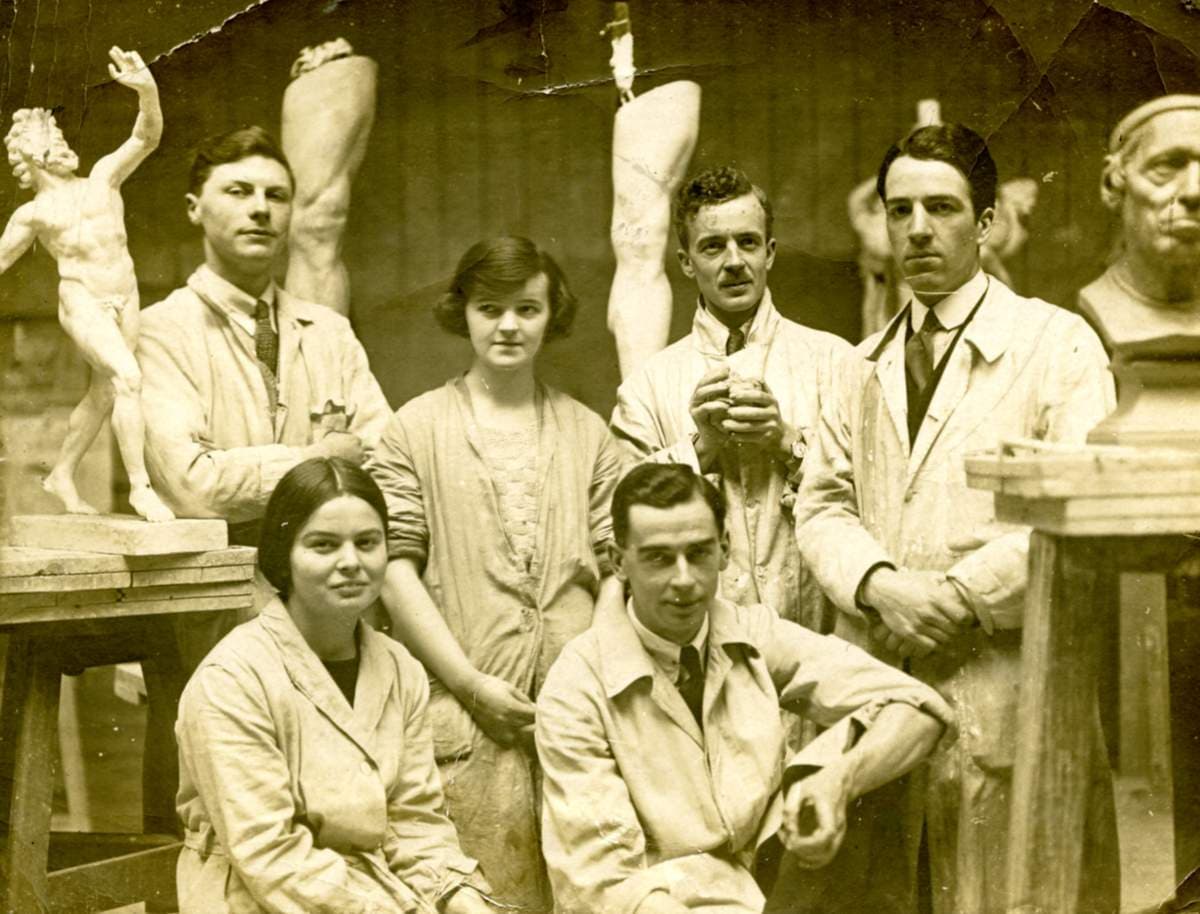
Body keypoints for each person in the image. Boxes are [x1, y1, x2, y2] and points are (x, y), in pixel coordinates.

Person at [794, 123, 1118, 914]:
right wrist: (880, 586)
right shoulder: (860, 364)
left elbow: (1081, 505)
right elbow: (822, 504)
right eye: (899, 210)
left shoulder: (1057, 345)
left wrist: (962, 596)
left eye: (941, 208)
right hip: (885, 687)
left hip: (1009, 682)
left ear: (986, 223)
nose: (917, 230)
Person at [535, 463, 953, 914]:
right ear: (619, 562)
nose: (684, 580)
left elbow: (919, 707)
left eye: (698, 553)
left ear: (724, 549)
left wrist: (838, 781)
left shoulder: (751, 631)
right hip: (665, 907)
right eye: (658, 558)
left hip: (770, 893)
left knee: (865, 761)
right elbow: (605, 887)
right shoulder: (577, 685)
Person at [366, 236, 626, 912]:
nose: (508, 326)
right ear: (463, 312)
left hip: (574, 719)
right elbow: (394, 569)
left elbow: (616, 569)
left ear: (552, 314)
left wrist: (581, 683)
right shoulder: (413, 429)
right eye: (490, 308)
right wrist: (471, 685)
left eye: (527, 309)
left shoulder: (589, 432)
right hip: (463, 716)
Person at [174, 457, 493, 914]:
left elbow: (414, 824)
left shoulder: (399, 669)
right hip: (255, 897)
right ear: (283, 555)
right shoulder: (232, 680)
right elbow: (269, 856)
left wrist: (462, 897)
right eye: (323, 545)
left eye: (367, 543)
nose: (351, 563)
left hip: (372, 892)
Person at [610, 166, 853, 633]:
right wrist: (700, 449)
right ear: (686, 262)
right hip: (700, 644)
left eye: (748, 242)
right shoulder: (646, 387)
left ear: (770, 252)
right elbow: (620, 519)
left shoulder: (835, 362)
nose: (735, 261)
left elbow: (874, 501)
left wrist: (787, 442)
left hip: (821, 638)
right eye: (713, 246)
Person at [137, 125, 391, 554]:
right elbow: (191, 487)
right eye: (238, 192)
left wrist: (244, 472)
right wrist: (321, 458)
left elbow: (387, 461)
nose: (260, 209)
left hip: (331, 579)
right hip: (220, 584)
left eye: (276, 196)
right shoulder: (159, 330)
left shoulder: (330, 332)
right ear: (194, 209)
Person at [0, 47, 172, 521]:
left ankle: (61, 474)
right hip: (83, 301)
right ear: (32, 153)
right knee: (128, 378)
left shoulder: (102, 179)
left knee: (105, 393)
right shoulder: (33, 214)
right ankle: (140, 489)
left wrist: (147, 91)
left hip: (126, 295)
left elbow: (146, 137)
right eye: (51, 136)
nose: (61, 140)